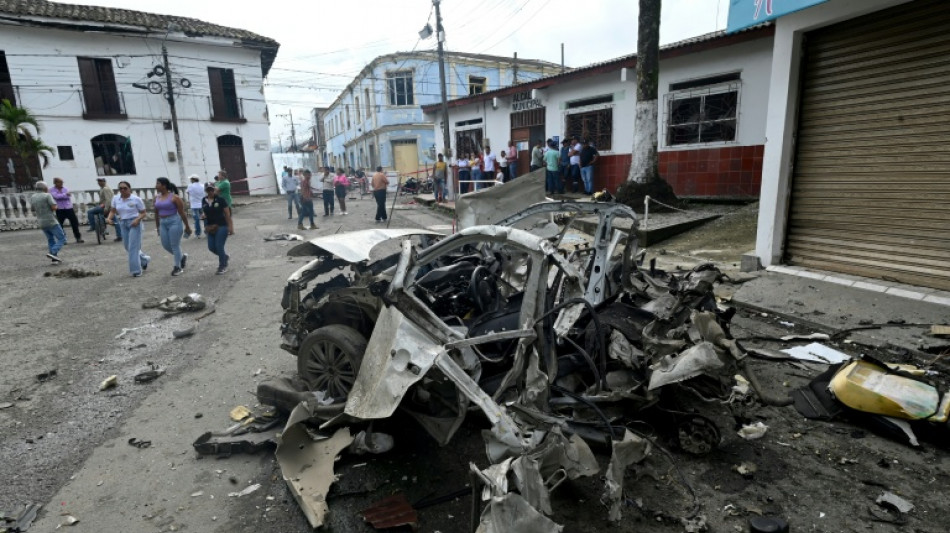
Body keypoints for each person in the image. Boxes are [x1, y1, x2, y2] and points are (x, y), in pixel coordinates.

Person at [106, 181, 151, 277]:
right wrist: (109, 218)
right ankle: (144, 260)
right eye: (120, 188)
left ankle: (136, 270)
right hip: (123, 223)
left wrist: (137, 219)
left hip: (134, 222)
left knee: (133, 247)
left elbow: (143, 212)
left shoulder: (136, 199)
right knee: (127, 246)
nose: (122, 190)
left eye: (125, 188)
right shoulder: (116, 198)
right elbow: (113, 210)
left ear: (129, 189)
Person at [154, 177, 192, 277]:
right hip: (163, 222)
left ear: (164, 185)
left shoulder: (174, 197)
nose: (156, 186)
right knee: (165, 244)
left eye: (158, 184)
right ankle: (182, 257)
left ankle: (177, 267)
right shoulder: (157, 197)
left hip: (174, 221)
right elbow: (156, 212)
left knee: (175, 245)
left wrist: (187, 226)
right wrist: (157, 226)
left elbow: (182, 213)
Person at [202, 183, 234, 274]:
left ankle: (222, 265)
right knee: (211, 247)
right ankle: (224, 256)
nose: (210, 192)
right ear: (206, 191)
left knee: (219, 246)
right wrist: (204, 216)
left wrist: (230, 227)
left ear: (215, 190)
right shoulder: (204, 200)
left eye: (212, 190)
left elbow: (227, 214)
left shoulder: (220, 200)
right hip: (210, 226)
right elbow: (205, 212)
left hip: (222, 225)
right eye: (208, 190)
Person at [31, 181, 66, 263]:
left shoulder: (33, 196)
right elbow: (54, 207)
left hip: (41, 221)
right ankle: (52, 252)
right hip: (51, 220)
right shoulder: (47, 195)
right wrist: (56, 206)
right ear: (44, 188)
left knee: (50, 239)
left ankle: (54, 259)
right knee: (62, 238)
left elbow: (32, 209)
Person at [49, 177, 83, 243]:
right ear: (55, 183)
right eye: (60, 182)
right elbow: (56, 197)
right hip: (59, 209)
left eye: (62, 182)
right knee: (60, 225)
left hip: (68, 208)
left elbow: (67, 196)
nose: (62, 184)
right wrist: (64, 195)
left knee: (74, 223)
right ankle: (63, 239)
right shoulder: (52, 190)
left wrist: (62, 196)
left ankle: (78, 237)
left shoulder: (65, 189)